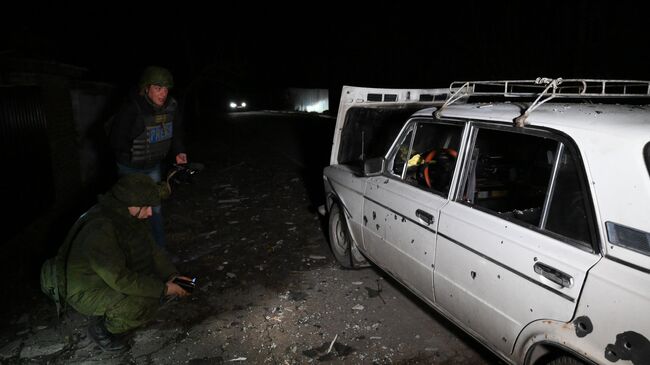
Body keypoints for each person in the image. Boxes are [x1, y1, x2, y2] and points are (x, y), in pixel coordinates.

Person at [65, 174, 191, 351]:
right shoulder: (100, 229)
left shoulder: (126, 216)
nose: (149, 212)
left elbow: (152, 250)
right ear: (128, 204)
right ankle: (101, 328)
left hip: (104, 277)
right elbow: (120, 279)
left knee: (151, 284)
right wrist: (164, 289)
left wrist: (174, 276)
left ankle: (111, 308)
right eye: (145, 207)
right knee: (145, 302)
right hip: (84, 288)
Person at [109, 65, 188, 248]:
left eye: (166, 89)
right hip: (129, 169)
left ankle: (159, 252)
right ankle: (135, 255)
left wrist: (179, 153)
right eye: (158, 88)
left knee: (155, 209)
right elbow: (115, 141)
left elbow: (176, 134)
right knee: (135, 213)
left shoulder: (171, 107)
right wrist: (134, 143)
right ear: (146, 88)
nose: (163, 93)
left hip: (153, 167)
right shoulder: (131, 108)